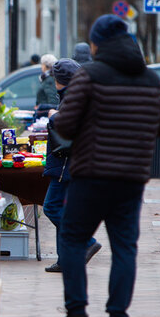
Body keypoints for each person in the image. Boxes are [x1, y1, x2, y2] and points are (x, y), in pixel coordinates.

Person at [47, 14, 160, 317]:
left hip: (91, 177)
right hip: (131, 180)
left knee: (72, 240)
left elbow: (66, 125)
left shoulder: (90, 76)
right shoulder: (150, 80)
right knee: (125, 249)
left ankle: (77, 316)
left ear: (97, 43)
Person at [41, 58, 101, 273]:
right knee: (63, 209)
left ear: (60, 80)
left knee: (52, 207)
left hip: (65, 162)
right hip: (74, 161)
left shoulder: (73, 98)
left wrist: (54, 117)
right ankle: (64, 259)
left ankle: (86, 242)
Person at [34, 54, 59, 118]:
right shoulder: (47, 78)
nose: (41, 66)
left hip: (45, 116)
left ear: (45, 66)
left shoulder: (49, 80)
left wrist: (41, 107)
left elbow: (53, 101)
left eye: (42, 64)